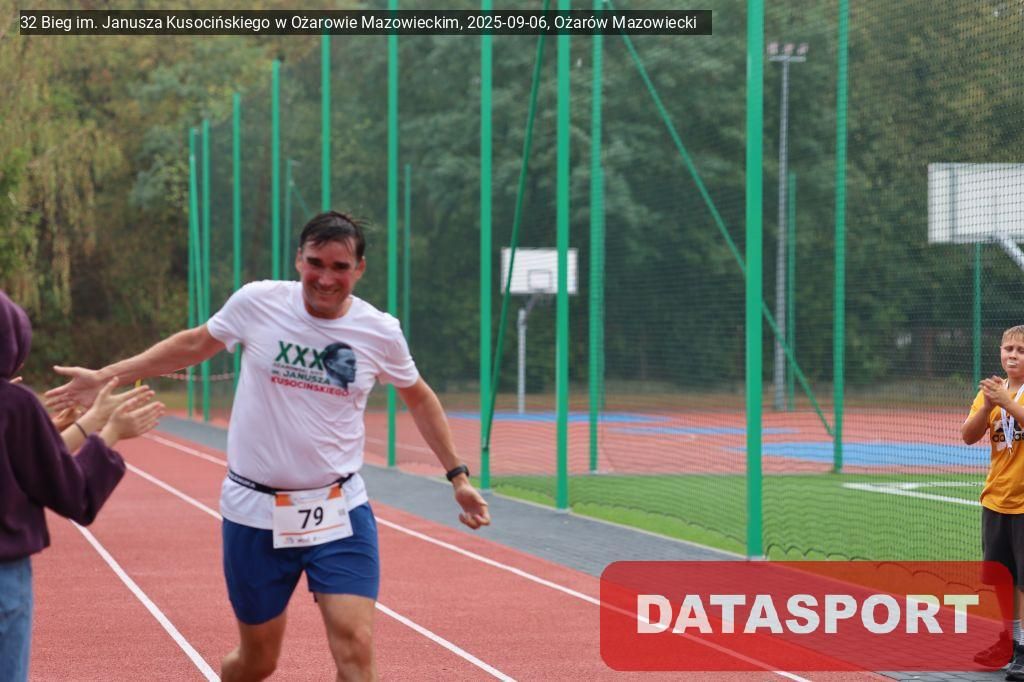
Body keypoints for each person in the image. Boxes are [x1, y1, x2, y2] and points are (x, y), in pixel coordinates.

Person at [45, 210, 491, 681]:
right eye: (316, 263)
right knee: (257, 661)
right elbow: (194, 345)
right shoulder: (258, 302)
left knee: (355, 647)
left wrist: (457, 477)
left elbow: (419, 397)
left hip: (337, 508)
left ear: (359, 269)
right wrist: (106, 377)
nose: (325, 278)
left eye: (340, 267)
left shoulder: (379, 332)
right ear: (299, 259)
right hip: (254, 511)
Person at [0, 291, 164, 682]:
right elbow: (70, 491)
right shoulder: (15, 405)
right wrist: (110, 433)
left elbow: (34, 465)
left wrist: (83, 425)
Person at [963, 324, 1024, 677]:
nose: (1013, 355)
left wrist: (1008, 402)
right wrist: (988, 404)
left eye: (1021, 350)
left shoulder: (1009, 396)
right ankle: (1011, 641)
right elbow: (968, 435)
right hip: (996, 498)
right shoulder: (991, 391)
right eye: (1008, 349)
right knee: (1003, 577)